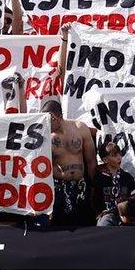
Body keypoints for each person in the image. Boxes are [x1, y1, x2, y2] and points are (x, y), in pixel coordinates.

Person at [41, 98, 97, 229]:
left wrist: (93, 186)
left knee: (83, 223)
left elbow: (91, 161)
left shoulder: (80, 127)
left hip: (81, 185)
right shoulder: (44, 135)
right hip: (58, 187)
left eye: (48, 120)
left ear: (55, 117)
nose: (46, 124)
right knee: (59, 225)